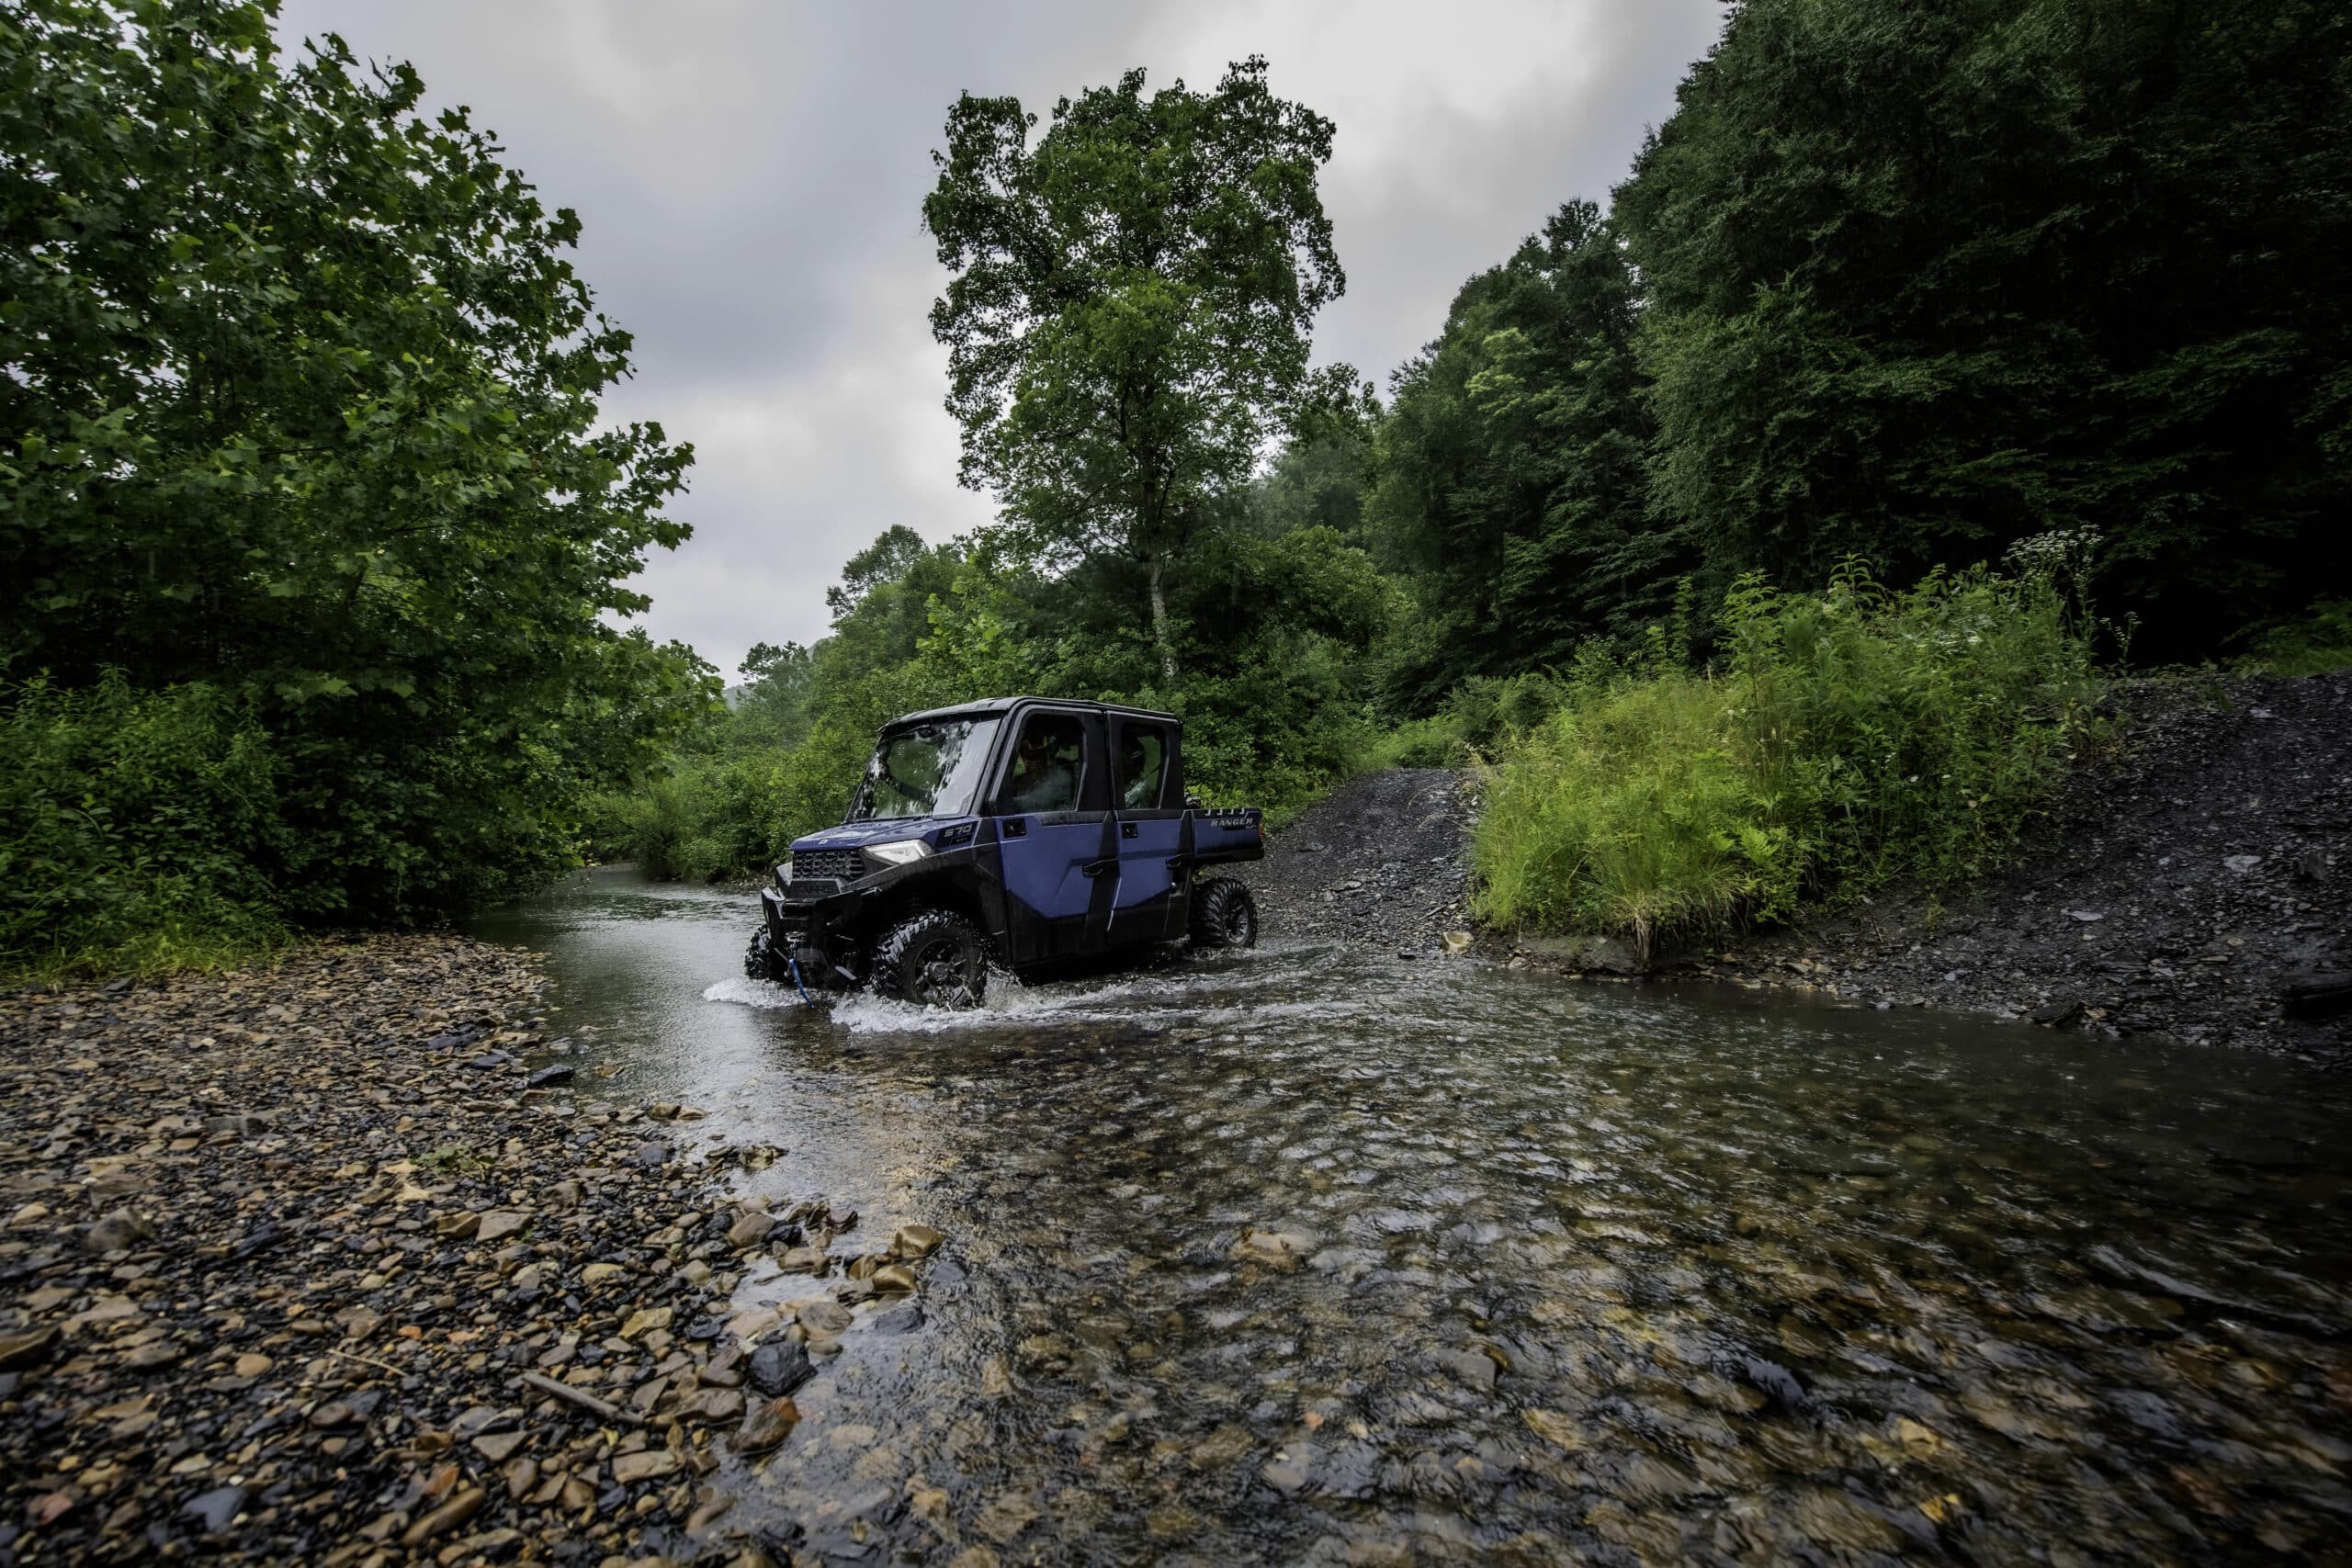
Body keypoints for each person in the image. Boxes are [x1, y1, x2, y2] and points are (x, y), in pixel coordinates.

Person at [1003, 719, 1080, 813]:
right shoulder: (1021, 781)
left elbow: (1034, 801)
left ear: (1046, 755)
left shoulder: (1060, 777)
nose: (1027, 762)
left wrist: (1002, 803)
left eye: (1034, 757)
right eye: (1024, 756)